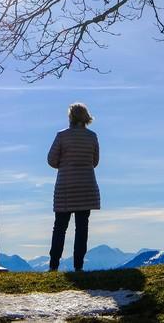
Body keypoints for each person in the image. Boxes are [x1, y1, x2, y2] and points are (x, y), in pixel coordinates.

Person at [47, 102, 100, 272]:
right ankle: (78, 266)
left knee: (60, 228)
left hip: (66, 188)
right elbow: (95, 161)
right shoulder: (92, 137)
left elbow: (51, 160)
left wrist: (65, 165)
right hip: (86, 187)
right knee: (82, 228)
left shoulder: (62, 136)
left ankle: (54, 265)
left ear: (70, 117)